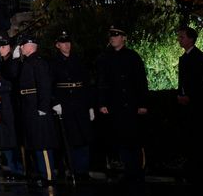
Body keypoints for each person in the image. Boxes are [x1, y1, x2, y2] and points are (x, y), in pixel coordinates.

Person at [96, 26, 149, 182]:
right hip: (115, 104)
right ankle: (128, 168)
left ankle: (138, 168)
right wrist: (102, 103)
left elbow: (141, 81)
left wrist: (143, 103)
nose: (113, 38)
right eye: (111, 36)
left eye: (116, 35)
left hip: (131, 104)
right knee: (120, 138)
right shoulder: (105, 57)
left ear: (123, 38)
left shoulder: (132, 56)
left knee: (134, 138)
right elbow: (102, 82)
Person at [15, 34, 57, 185]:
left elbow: (44, 86)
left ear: (31, 46)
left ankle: (48, 175)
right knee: (34, 142)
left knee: (42, 143)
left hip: (37, 106)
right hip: (29, 106)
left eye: (23, 45)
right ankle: (40, 173)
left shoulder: (38, 62)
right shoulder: (27, 62)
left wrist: (43, 107)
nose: (20, 48)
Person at [51, 31, 92, 180]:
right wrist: (55, 102)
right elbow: (51, 84)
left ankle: (84, 169)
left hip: (80, 101)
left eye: (68, 42)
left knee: (84, 136)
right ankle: (73, 169)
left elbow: (86, 82)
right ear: (58, 45)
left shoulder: (78, 60)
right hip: (65, 102)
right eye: (63, 43)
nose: (67, 45)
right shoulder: (54, 63)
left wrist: (90, 105)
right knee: (71, 137)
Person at [174, 25, 203, 180]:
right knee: (187, 133)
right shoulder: (185, 58)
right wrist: (179, 94)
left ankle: (197, 166)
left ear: (191, 39)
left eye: (182, 37)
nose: (179, 40)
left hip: (197, 104)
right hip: (185, 102)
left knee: (196, 134)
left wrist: (190, 96)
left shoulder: (200, 58)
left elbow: (201, 82)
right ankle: (191, 164)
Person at [0, 36, 24, 178]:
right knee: (5, 136)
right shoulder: (0, 61)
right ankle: (12, 167)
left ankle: (19, 167)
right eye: (0, 47)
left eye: (4, 47)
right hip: (2, 102)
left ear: (9, 48)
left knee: (13, 136)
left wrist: (14, 60)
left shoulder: (13, 61)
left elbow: (12, 74)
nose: (1, 49)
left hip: (12, 101)